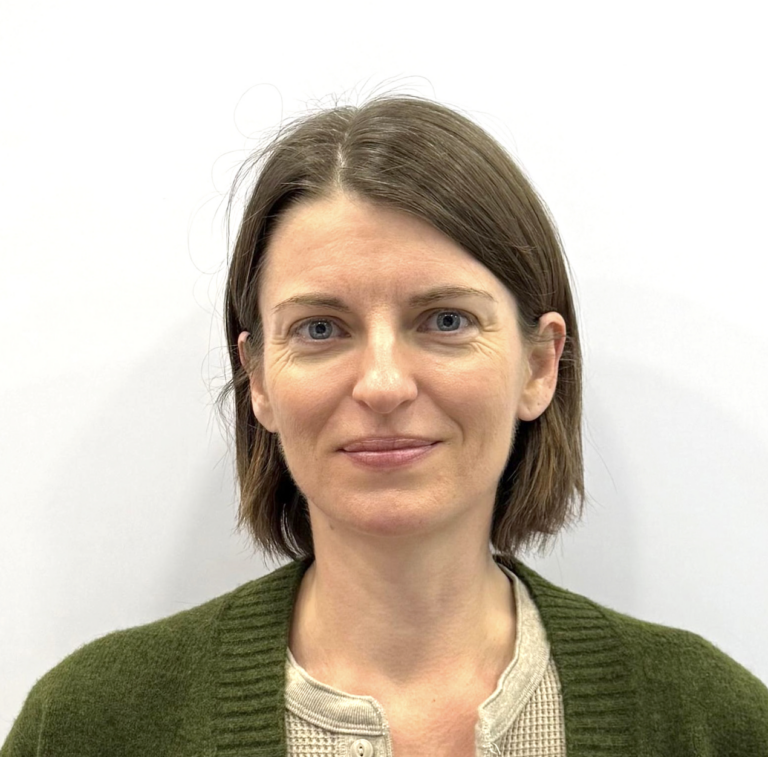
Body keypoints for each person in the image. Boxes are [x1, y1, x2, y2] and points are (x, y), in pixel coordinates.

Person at [2, 94, 767, 757]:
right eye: (320, 329)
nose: (383, 383)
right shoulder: (89, 724)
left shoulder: (713, 722)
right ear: (258, 378)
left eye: (445, 319)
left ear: (539, 365)